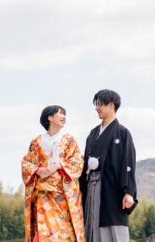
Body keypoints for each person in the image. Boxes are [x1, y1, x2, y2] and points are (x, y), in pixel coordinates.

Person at [79, 89, 137, 242]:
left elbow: (128, 163)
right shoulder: (92, 134)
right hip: (91, 186)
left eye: (100, 104)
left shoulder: (122, 133)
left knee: (113, 226)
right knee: (91, 225)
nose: (97, 108)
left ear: (111, 105)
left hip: (111, 188)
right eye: (96, 105)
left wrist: (129, 192)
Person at [22, 105, 86, 242]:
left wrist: (57, 166)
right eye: (60, 114)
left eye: (65, 114)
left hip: (64, 194)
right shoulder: (36, 141)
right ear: (50, 117)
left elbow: (78, 160)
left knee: (66, 230)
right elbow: (27, 162)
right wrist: (38, 170)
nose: (64, 117)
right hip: (44, 194)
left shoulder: (69, 139)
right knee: (44, 230)